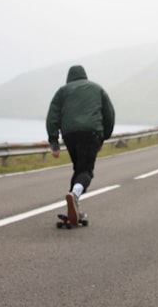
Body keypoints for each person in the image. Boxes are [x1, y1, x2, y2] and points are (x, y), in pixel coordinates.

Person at [46, 64, 115, 221]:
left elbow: (52, 116)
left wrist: (54, 142)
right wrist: (104, 137)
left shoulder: (62, 91)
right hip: (91, 134)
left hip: (70, 135)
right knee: (86, 172)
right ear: (85, 75)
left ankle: (73, 209)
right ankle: (74, 194)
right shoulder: (97, 89)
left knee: (79, 169)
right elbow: (109, 114)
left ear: (69, 77)